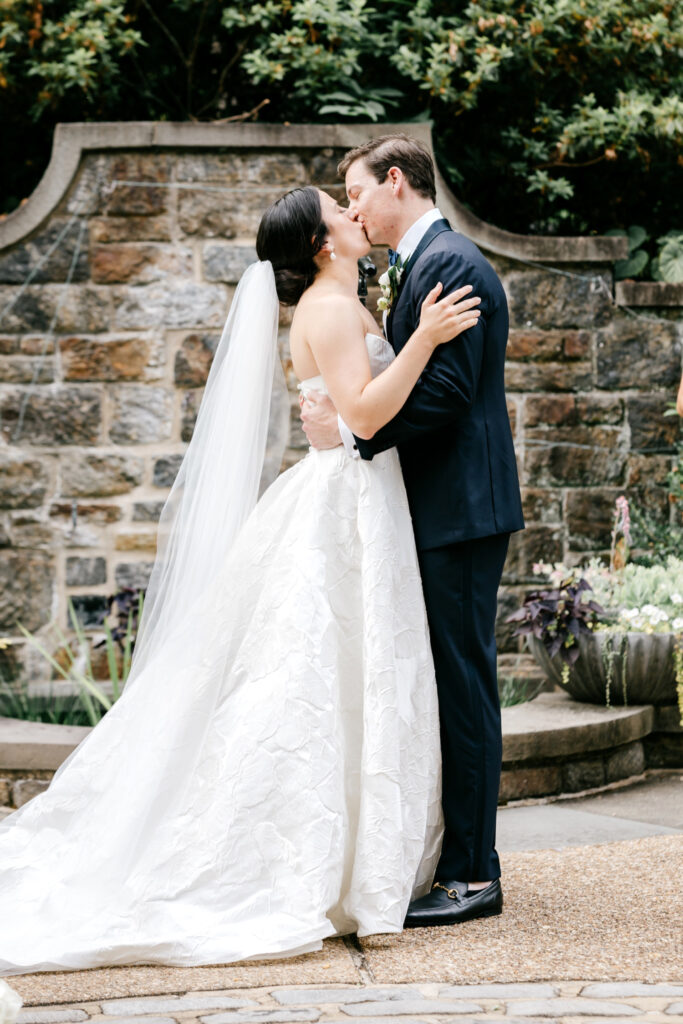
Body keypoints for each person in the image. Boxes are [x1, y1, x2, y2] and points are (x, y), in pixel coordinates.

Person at [0, 185, 482, 975]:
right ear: (323, 242)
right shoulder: (328, 311)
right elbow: (362, 416)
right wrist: (425, 339)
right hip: (345, 505)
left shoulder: (341, 300)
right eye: (339, 209)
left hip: (365, 499)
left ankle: (358, 856)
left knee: (353, 673)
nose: (354, 214)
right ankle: (309, 858)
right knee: (316, 673)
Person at [301, 134, 525, 928]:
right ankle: (458, 859)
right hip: (439, 506)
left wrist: (357, 435)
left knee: (464, 687)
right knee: (449, 684)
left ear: (394, 181)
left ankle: (473, 875)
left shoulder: (452, 264)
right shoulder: (421, 266)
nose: (352, 205)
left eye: (355, 190)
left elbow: (448, 395)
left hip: (459, 509)